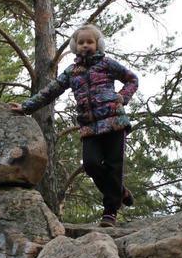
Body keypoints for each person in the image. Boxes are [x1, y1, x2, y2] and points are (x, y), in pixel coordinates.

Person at [9, 24, 138, 227]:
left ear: (98, 44)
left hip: (114, 122)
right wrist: (26, 107)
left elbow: (132, 79)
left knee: (114, 167)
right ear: (74, 46)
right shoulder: (72, 72)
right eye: (81, 42)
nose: (85, 45)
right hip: (89, 127)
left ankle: (110, 211)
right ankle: (120, 192)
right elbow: (50, 91)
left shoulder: (107, 64)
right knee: (90, 164)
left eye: (89, 42)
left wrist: (123, 96)